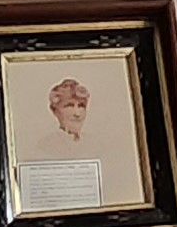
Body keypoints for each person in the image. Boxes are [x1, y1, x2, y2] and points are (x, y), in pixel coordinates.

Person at [15, 77, 146, 208]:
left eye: (81, 106)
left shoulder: (96, 144)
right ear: (55, 111)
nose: (77, 113)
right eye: (69, 106)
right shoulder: (45, 146)